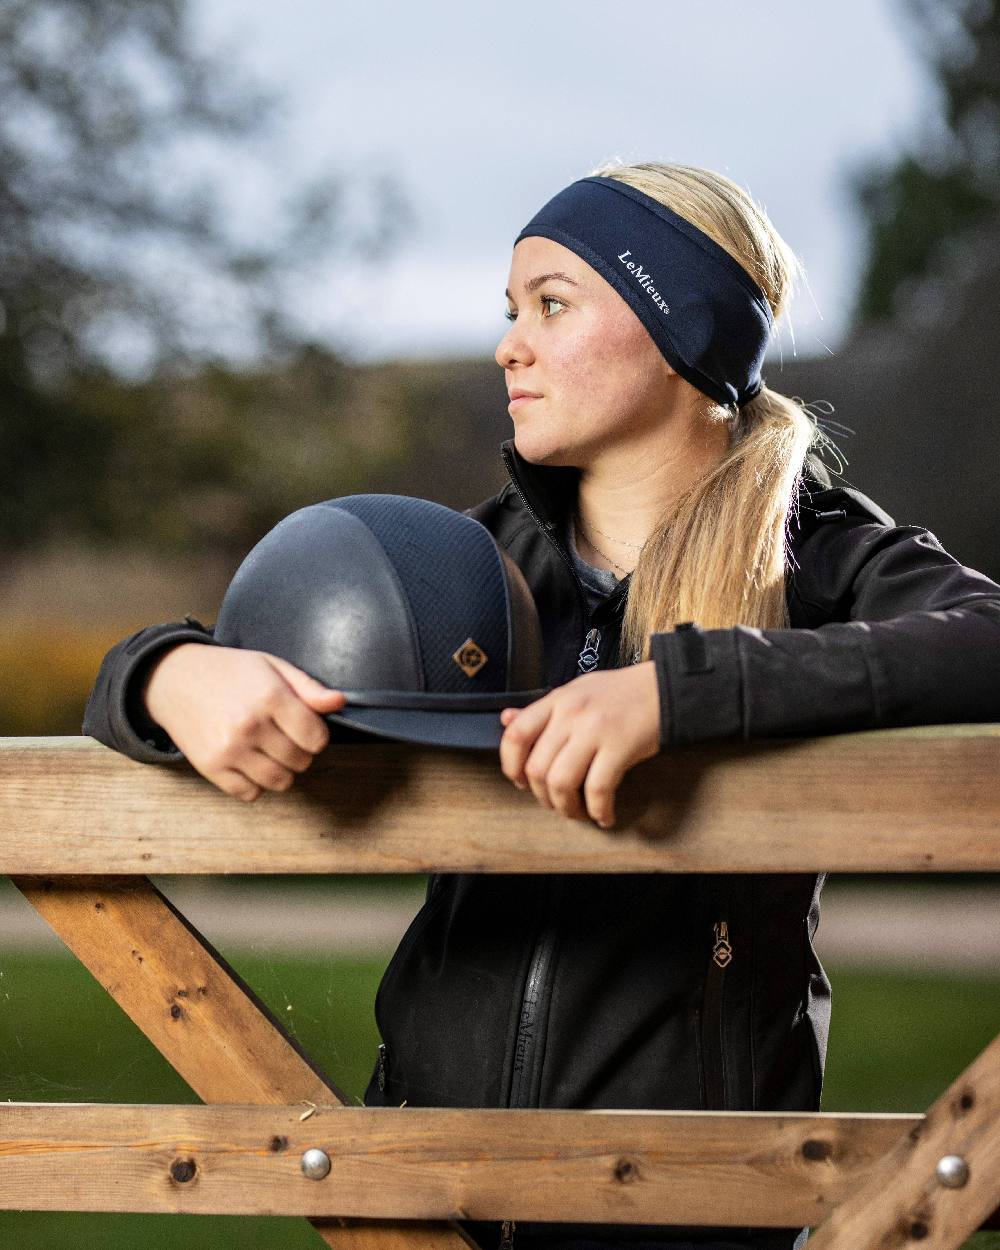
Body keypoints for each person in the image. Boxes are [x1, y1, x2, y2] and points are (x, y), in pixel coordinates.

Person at [83, 161, 1000, 1250]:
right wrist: (170, 674)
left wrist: (683, 691)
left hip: (691, 1204)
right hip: (426, 1189)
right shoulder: (462, 563)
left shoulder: (822, 556)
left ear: (682, 329)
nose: (509, 344)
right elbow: (160, 670)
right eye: (509, 311)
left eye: (551, 304)